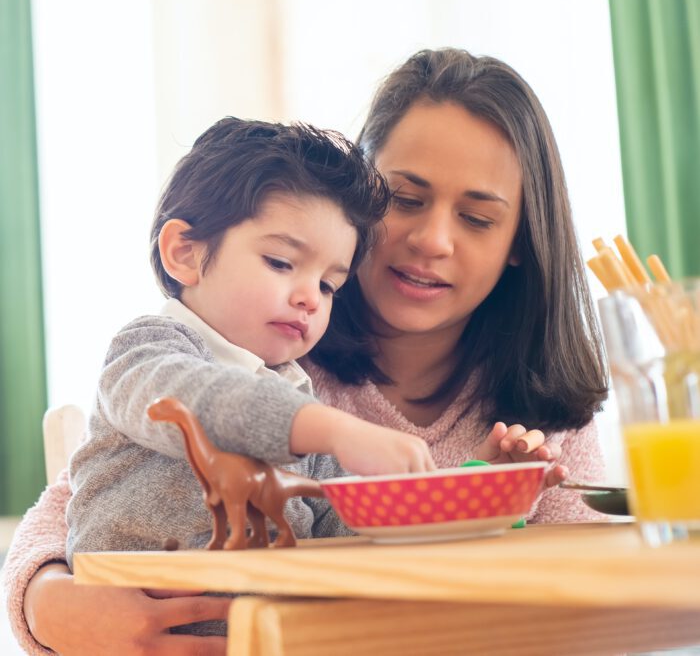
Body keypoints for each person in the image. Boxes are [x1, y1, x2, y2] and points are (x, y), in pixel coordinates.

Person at [2, 48, 607, 655]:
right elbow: (74, 499)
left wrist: (475, 496)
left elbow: (586, 625)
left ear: (520, 243)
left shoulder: (544, 416)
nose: (433, 240)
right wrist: (50, 605)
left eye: (476, 217)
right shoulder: (249, 354)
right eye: (405, 198)